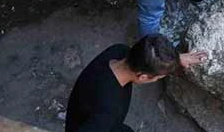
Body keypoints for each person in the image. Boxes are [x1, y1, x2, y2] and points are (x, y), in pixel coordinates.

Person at [65, 34, 207, 132]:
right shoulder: (109, 111)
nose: (159, 79)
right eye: (159, 77)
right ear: (143, 77)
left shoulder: (118, 51)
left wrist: (174, 60)